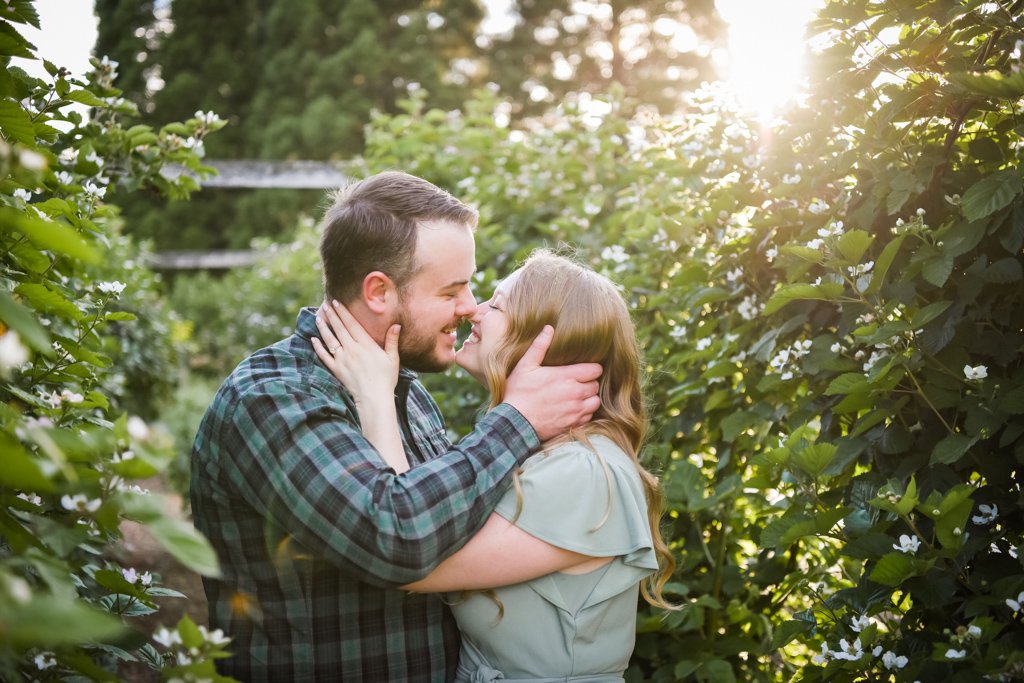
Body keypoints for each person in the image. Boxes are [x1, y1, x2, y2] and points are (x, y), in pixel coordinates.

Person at [189, 172, 603, 682]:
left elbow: (449, 529)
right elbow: (395, 539)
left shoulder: (409, 393)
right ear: (380, 291)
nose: (470, 306)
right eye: (452, 289)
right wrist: (518, 419)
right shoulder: (272, 399)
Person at [314, 250, 676, 682]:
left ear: (545, 341)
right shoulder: (534, 453)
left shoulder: (584, 474)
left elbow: (413, 557)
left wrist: (375, 395)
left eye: (497, 304)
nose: (474, 311)